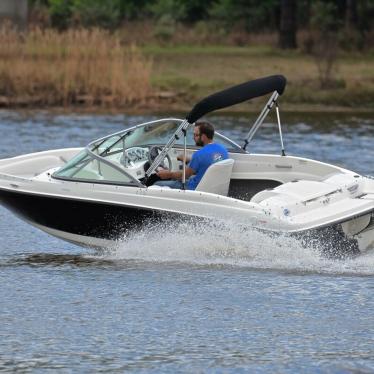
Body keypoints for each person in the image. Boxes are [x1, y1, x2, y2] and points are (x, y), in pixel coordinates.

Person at [154, 120, 228, 190]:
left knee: (157, 184)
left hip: (193, 188)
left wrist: (168, 174)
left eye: (196, 135)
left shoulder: (199, 155)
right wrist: (189, 159)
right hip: (211, 187)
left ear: (203, 137)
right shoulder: (223, 150)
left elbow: (185, 176)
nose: (193, 138)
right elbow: (207, 162)